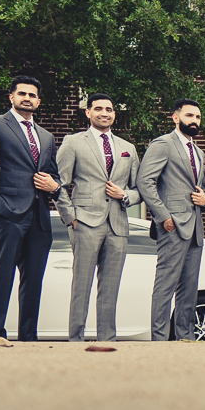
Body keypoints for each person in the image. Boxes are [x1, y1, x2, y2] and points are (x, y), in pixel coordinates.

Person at [53, 93, 138, 342]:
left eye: (109, 109)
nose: (104, 113)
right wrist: (70, 217)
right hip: (85, 222)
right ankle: (75, 339)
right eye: (98, 109)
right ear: (88, 112)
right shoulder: (73, 142)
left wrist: (125, 195)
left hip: (118, 224)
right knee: (82, 284)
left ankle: (107, 340)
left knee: (110, 287)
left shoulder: (128, 148)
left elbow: (138, 189)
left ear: (114, 114)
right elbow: (59, 183)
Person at [0, 76, 60, 345]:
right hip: (7, 214)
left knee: (33, 281)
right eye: (22, 93)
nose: (27, 98)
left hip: (39, 217)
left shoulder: (47, 136)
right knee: (1, 275)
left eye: (33, 95)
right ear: (11, 97)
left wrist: (54, 184)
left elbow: (53, 174)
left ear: (39, 101)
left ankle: (29, 336)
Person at [140, 98, 205, 341]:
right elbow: (145, 182)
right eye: (190, 116)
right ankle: (159, 341)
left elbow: (199, 189)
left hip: (195, 229)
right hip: (172, 227)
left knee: (189, 290)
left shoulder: (199, 152)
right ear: (176, 117)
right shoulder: (163, 144)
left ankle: (185, 339)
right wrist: (164, 217)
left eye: (198, 117)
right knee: (165, 287)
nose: (194, 121)